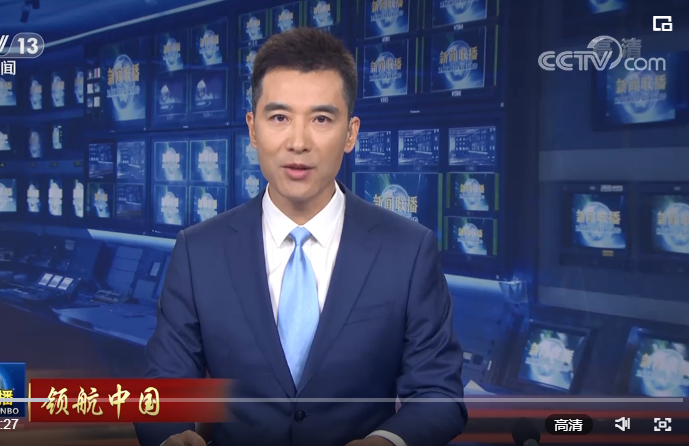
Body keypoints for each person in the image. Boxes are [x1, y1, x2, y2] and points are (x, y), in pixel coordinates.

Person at [135, 27, 466, 446]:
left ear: (351, 133)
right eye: (279, 118)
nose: (298, 142)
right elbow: (163, 391)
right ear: (253, 129)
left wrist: (385, 442)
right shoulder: (198, 251)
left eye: (321, 119)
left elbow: (438, 396)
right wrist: (173, 435)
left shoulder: (408, 250)